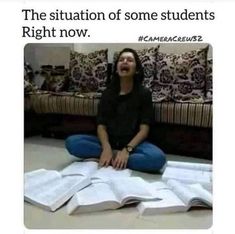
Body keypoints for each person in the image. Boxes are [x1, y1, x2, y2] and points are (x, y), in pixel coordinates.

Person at [65, 48, 166, 172]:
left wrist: (127, 150)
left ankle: (114, 159)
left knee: (157, 159)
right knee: (72, 143)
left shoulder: (144, 94)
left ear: (136, 69)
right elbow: (101, 126)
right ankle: (114, 157)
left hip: (133, 145)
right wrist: (106, 147)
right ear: (117, 69)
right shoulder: (108, 93)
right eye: (121, 60)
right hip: (109, 142)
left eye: (129, 60)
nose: (124, 62)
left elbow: (144, 130)